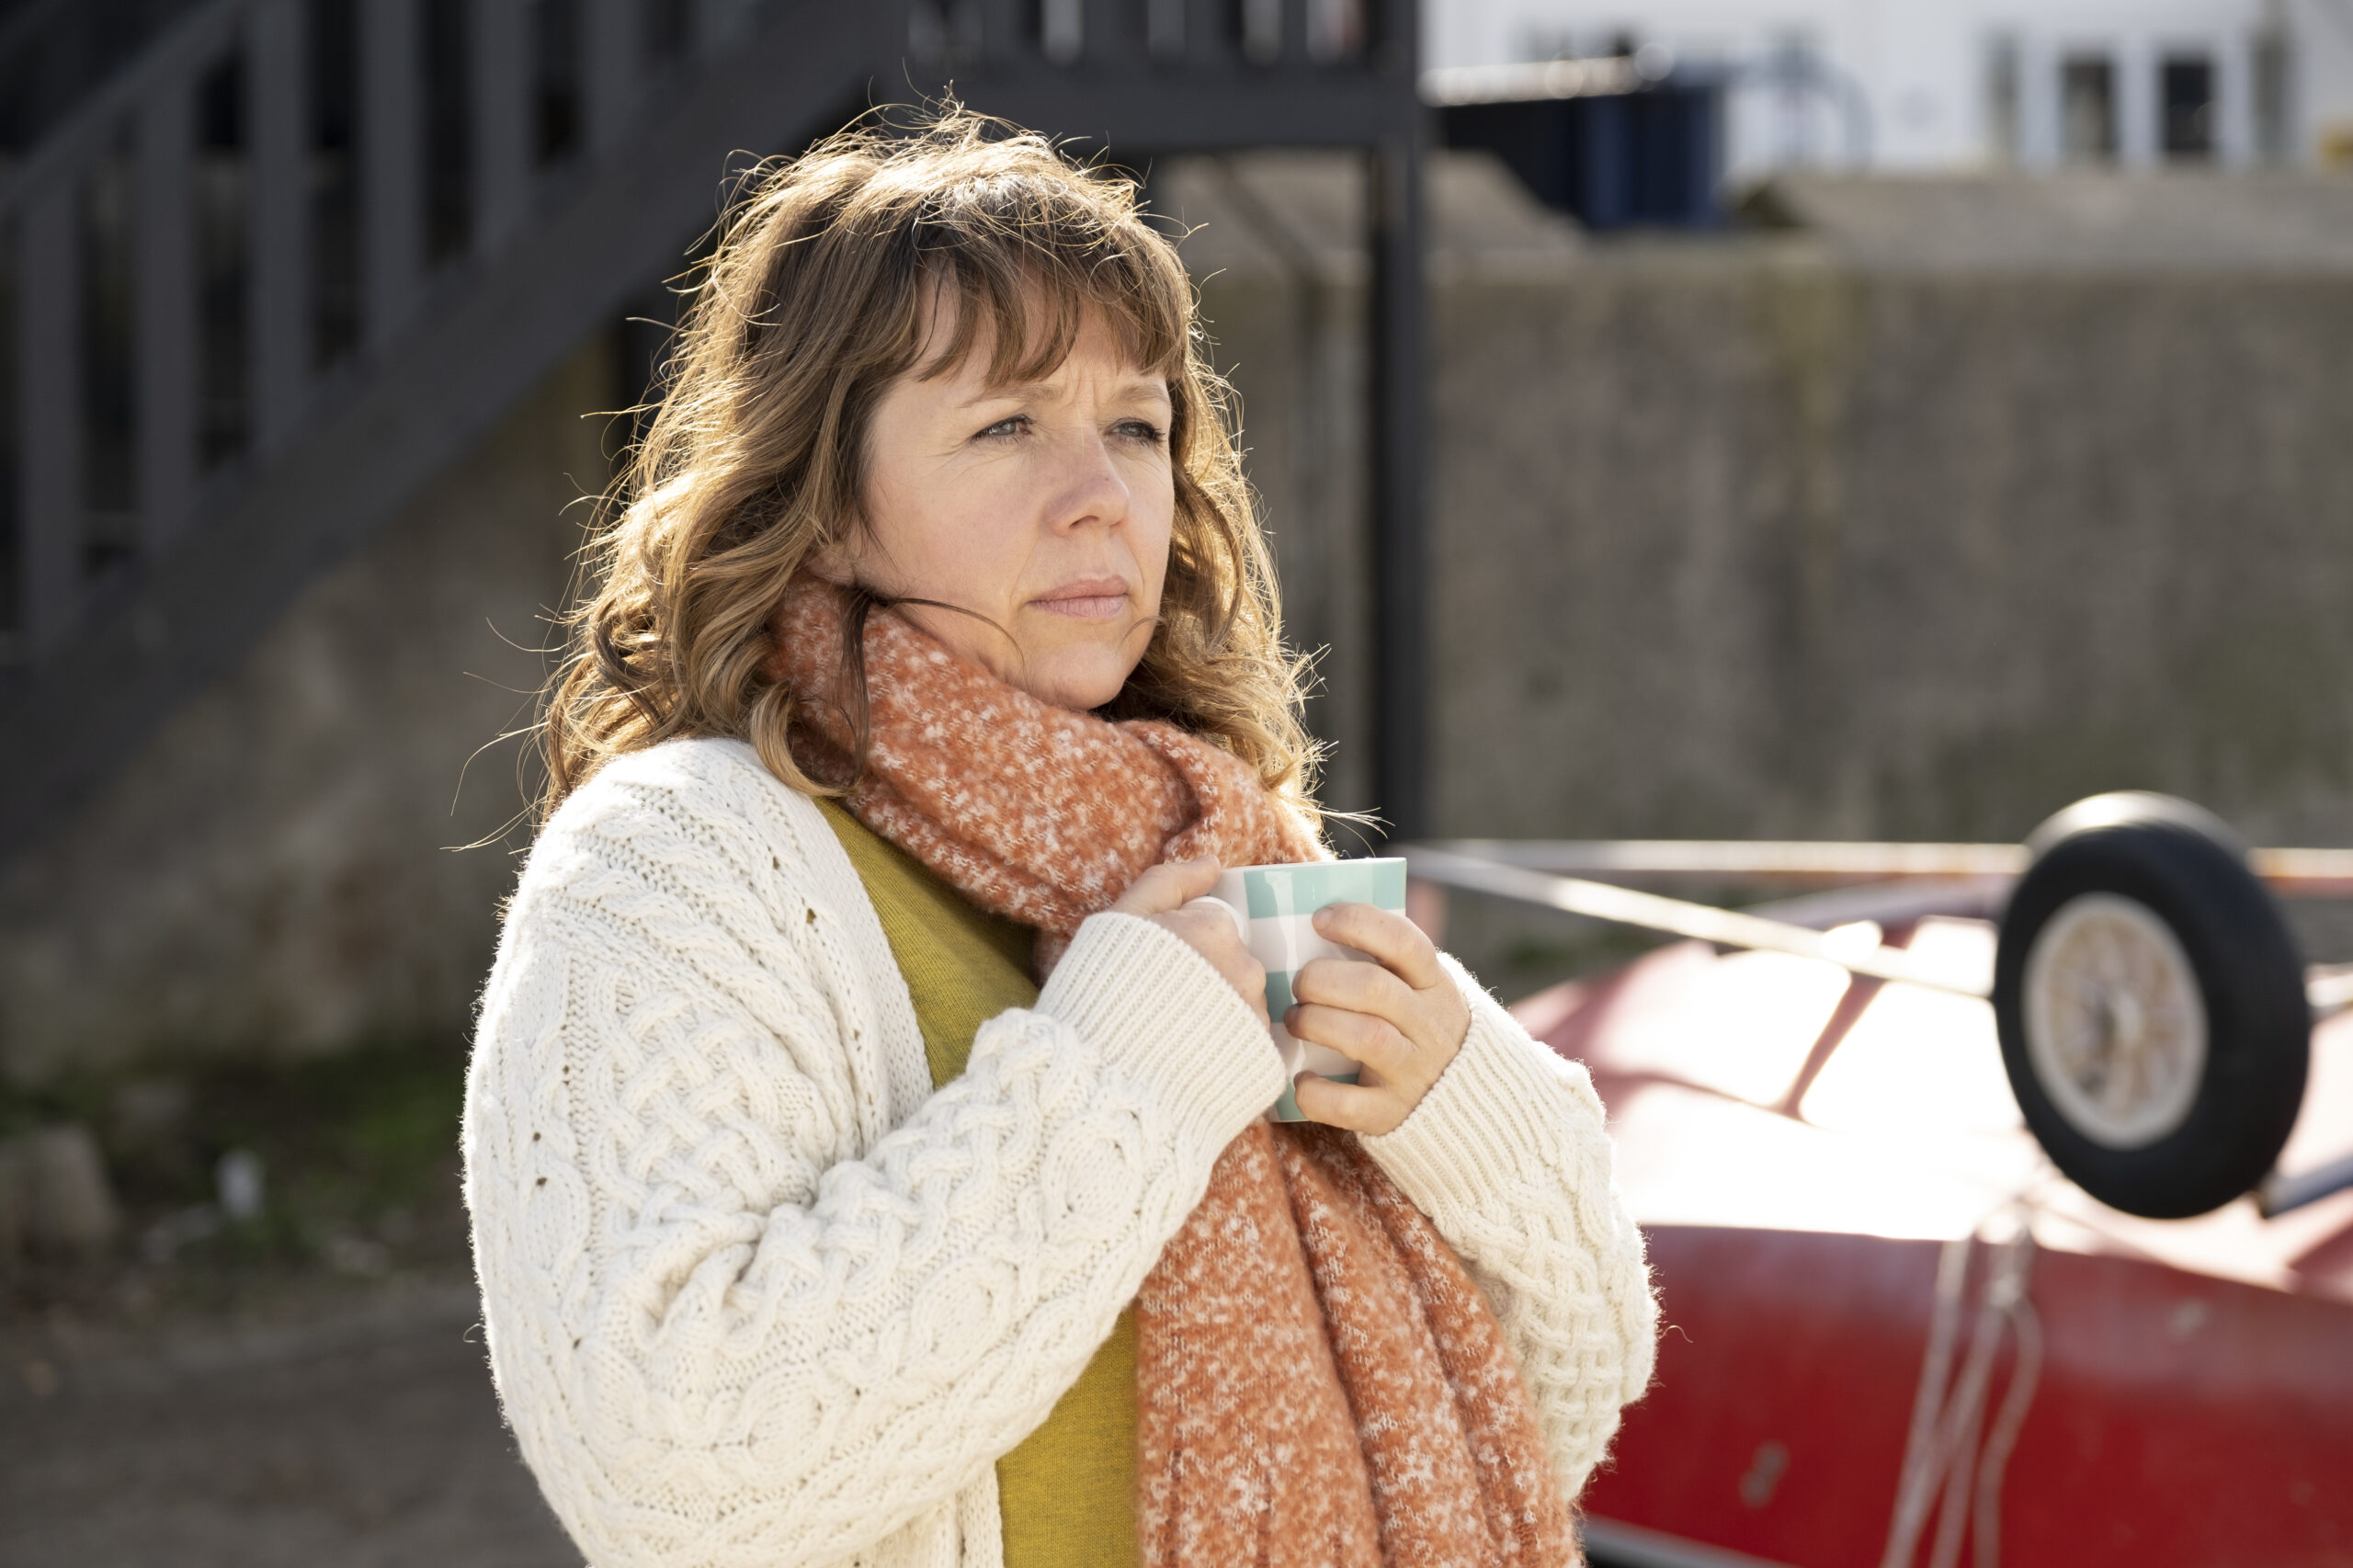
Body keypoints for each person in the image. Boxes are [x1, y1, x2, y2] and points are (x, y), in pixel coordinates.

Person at [463, 108, 1655, 1568]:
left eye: (1137, 425)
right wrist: (1119, 1077)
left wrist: (1461, 1107)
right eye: (1007, 424)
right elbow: (676, 1479)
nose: (1101, 496)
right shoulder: (675, 866)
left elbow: (1560, 1402)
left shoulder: (1227, 842)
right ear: (822, 501)